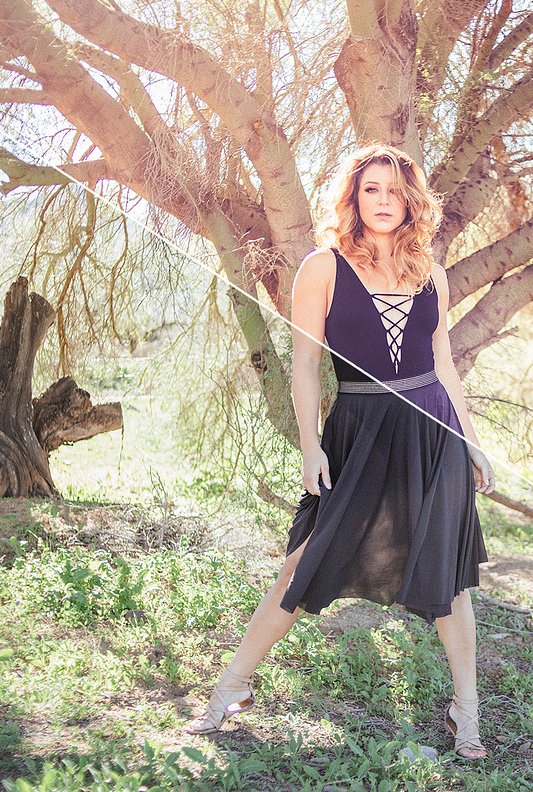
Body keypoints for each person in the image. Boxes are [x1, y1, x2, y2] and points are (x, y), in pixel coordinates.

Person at [187, 144, 495, 760]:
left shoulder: (430, 273)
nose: (383, 201)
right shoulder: (322, 268)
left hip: (432, 431)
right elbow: (304, 363)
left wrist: (472, 441)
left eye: (394, 189)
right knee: (301, 564)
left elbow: (442, 364)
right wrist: (310, 447)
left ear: (412, 199)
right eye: (370, 189)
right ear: (353, 198)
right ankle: (231, 687)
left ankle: (467, 711)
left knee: (450, 578)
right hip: (359, 432)